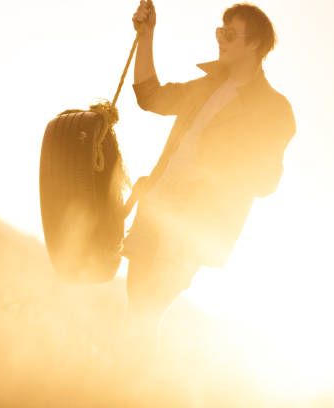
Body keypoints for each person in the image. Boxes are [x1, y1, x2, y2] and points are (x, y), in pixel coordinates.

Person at [122, 1, 296, 341]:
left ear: (256, 44)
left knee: (148, 311)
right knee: (136, 312)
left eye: (230, 34)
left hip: (195, 226)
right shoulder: (205, 86)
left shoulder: (274, 109)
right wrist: (147, 35)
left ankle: (135, 390)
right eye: (220, 31)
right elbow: (151, 97)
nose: (221, 39)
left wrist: (213, 174)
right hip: (155, 209)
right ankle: (125, 389)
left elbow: (266, 180)